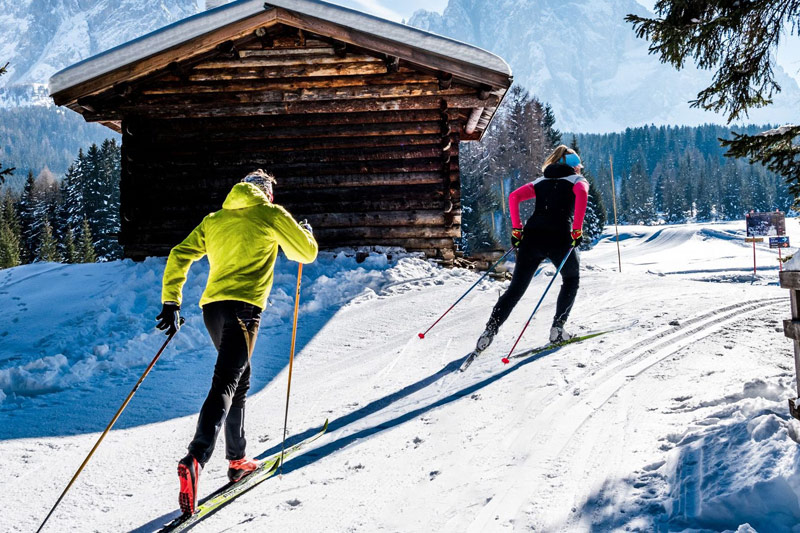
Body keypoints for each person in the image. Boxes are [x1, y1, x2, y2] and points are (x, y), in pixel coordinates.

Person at [155, 169, 318, 515]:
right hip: (244, 311)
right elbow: (305, 254)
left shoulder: (214, 220)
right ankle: (196, 458)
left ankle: (238, 459)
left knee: (239, 380)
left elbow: (179, 253)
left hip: (212, 310)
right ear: (267, 193)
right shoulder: (270, 214)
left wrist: (171, 300)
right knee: (227, 382)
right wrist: (305, 234)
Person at [475, 145, 589, 353]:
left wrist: (517, 229)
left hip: (532, 237)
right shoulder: (578, 181)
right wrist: (577, 230)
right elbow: (581, 196)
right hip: (560, 238)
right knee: (571, 279)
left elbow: (514, 197)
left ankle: (490, 330)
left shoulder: (540, 182)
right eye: (578, 167)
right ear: (574, 168)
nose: (580, 170)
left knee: (516, 289)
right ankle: (557, 328)